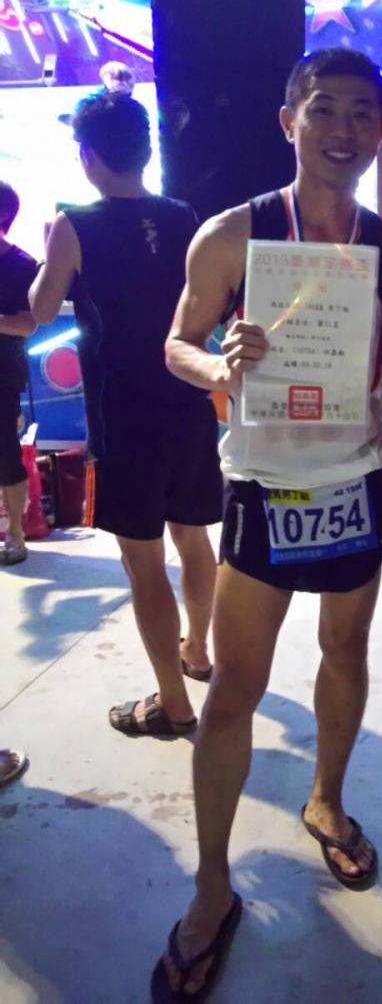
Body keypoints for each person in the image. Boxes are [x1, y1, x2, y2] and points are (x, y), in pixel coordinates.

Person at [151, 48, 382, 1001]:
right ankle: (213, 887)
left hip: (357, 481)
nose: (345, 129)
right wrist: (219, 368)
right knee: (233, 690)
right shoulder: (233, 233)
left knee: (347, 650)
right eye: (325, 108)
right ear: (289, 119)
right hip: (264, 485)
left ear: (379, 129)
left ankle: (327, 801)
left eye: (363, 113)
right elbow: (176, 343)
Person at [29, 91, 222, 734]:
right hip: (188, 398)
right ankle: (199, 650)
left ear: (88, 156)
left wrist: (50, 252)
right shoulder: (182, 214)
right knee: (193, 537)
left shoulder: (73, 223)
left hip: (123, 416)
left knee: (143, 564)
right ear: (144, 150)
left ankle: (173, 702)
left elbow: (40, 308)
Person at [0, 181, 38, 566]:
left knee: (4, 452)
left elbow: (28, 324)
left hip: (3, 371)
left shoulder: (22, 265)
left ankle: (15, 534)